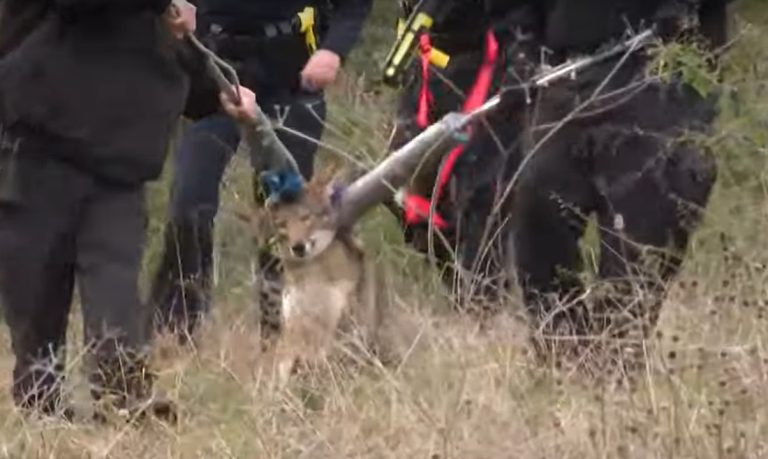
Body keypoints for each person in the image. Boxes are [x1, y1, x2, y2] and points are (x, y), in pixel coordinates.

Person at [499, 0, 733, 362]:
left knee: (638, 246)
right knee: (536, 215)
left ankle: (616, 370)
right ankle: (565, 358)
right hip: (567, 74)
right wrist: (521, 45)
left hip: (660, 71)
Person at [0, 0, 199, 420]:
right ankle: (42, 409)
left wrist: (220, 91)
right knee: (35, 298)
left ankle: (126, 401)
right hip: (37, 146)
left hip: (119, 161)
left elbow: (170, 54)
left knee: (115, 288)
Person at [150, 0, 373, 342]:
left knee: (284, 213)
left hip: (287, 86)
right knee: (189, 204)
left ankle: (279, 332)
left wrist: (332, 51)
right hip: (214, 87)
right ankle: (177, 329)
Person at [384, 0, 538, 312]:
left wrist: (521, 62)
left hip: (490, 65)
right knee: (400, 190)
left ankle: (482, 306)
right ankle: (459, 280)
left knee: (484, 193)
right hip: (428, 67)